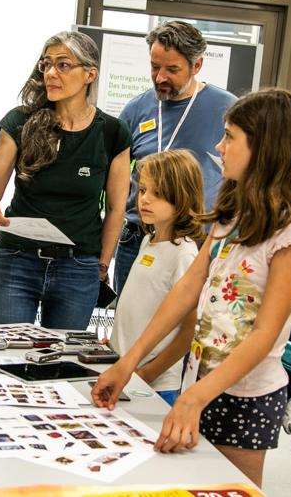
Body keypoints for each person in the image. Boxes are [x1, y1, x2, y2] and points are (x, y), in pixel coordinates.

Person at [92, 89, 291, 488]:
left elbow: (266, 333)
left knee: (229, 490)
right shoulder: (233, 213)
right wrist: (128, 362)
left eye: (230, 137)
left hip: (247, 396)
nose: (220, 146)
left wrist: (194, 398)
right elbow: (186, 290)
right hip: (199, 381)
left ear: (265, 147)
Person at [0, 31, 131, 330]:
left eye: (63, 65)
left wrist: (101, 265)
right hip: (17, 261)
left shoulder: (112, 132)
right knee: (5, 358)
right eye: (46, 65)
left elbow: (116, 209)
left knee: (59, 365)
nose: (50, 73)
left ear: (89, 74)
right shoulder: (20, 122)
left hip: (78, 267)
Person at [114, 21, 237, 293]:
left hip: (197, 242)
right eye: (154, 67)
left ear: (197, 66)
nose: (160, 78)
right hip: (138, 239)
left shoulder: (227, 108)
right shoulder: (136, 109)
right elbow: (115, 179)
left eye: (172, 69)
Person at [108, 150, 205, 406]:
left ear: (182, 197)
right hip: (124, 371)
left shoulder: (184, 253)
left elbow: (188, 332)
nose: (145, 199)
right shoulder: (148, 241)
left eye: (157, 193)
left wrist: (147, 374)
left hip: (155, 385)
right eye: (142, 190)